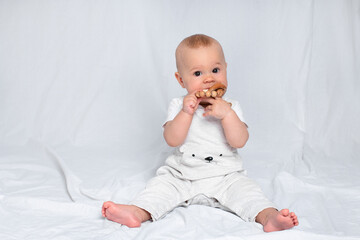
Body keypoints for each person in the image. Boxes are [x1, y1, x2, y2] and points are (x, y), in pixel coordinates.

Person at [102, 34, 299, 232]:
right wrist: (186, 113)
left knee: (250, 194)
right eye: (197, 73)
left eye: (215, 70)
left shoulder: (231, 106)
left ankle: (269, 217)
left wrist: (227, 115)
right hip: (182, 175)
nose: (209, 79)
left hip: (226, 176)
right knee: (158, 190)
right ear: (181, 80)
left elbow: (240, 141)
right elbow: (172, 140)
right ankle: (136, 212)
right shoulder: (179, 106)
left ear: (225, 69)